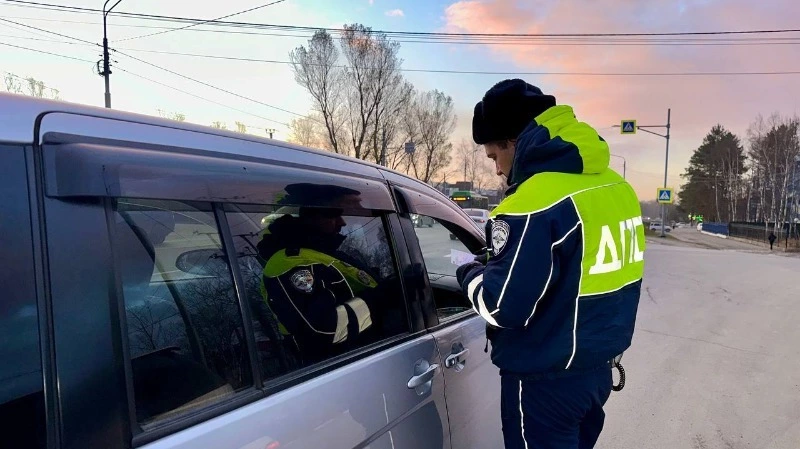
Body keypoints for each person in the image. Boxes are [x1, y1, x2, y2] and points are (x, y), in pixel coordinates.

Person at [456, 79, 646, 449]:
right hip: (597, 373)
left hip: (544, 383)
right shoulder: (617, 189)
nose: (496, 169)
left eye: (494, 156)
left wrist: (469, 273)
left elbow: (502, 306)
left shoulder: (533, 202)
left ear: (512, 142)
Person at [257, 183, 382, 366]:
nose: (343, 222)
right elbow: (323, 332)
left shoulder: (322, 252)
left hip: (362, 355)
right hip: (336, 366)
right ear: (309, 217)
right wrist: (383, 299)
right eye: (333, 215)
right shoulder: (289, 263)